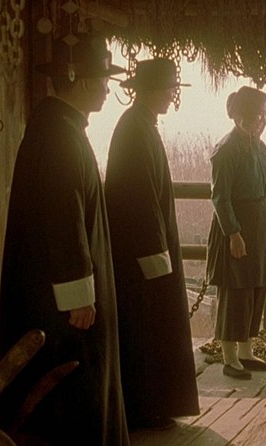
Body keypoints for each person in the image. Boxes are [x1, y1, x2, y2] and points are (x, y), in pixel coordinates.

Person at [0, 34, 130, 445]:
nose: (107, 89)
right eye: (104, 80)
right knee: (71, 395)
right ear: (84, 82)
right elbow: (62, 214)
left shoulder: (60, 127)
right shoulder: (59, 135)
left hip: (53, 292)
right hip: (61, 305)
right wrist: (79, 295)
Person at [104, 58, 199, 430]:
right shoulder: (134, 130)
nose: (172, 95)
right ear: (151, 91)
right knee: (144, 330)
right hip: (141, 254)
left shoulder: (142, 126)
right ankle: (143, 409)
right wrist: (155, 254)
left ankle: (153, 405)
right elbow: (137, 197)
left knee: (151, 329)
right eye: (169, 89)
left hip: (148, 250)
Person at [206, 86, 266, 380]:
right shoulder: (226, 150)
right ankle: (229, 357)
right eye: (254, 116)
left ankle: (247, 352)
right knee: (236, 292)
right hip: (236, 226)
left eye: (263, 116)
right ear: (239, 116)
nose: (259, 121)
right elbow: (220, 197)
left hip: (260, 228)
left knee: (256, 289)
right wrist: (234, 233)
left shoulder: (261, 148)